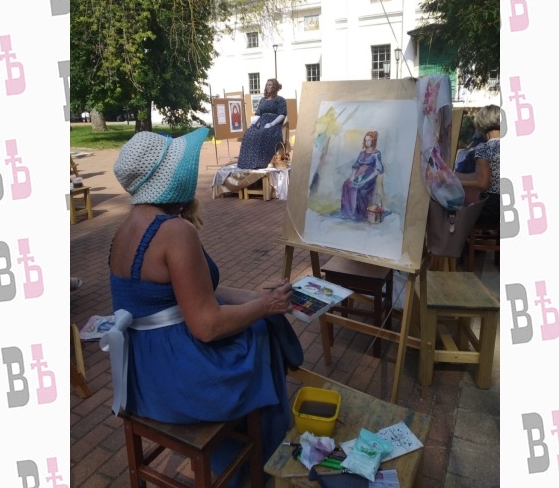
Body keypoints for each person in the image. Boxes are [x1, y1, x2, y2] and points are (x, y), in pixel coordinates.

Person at [106, 127, 302, 481]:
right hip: (174, 381)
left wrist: (261, 298)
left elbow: (195, 293)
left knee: (261, 319)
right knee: (262, 333)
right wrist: (265, 308)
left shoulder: (124, 230)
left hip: (142, 375)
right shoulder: (174, 232)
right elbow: (207, 326)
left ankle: (250, 450)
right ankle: (258, 462)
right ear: (170, 179)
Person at [457, 105, 501, 224]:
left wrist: (456, 182)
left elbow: (483, 184)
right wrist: (455, 175)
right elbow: (483, 175)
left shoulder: (484, 148)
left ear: (481, 125)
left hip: (493, 208)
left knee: (455, 214)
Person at [237, 78, 287, 169]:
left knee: (263, 134)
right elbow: (258, 113)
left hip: (274, 124)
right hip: (261, 122)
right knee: (249, 133)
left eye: (270, 85)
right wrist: (253, 123)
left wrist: (272, 124)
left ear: (275, 87)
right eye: (267, 85)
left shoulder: (280, 100)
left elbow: (282, 114)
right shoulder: (263, 100)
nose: (267, 86)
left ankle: (260, 162)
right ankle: (247, 162)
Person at [340, 131, 384, 221]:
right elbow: (356, 166)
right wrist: (352, 176)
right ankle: (347, 213)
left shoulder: (376, 154)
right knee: (346, 184)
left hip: (369, 178)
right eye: (366, 140)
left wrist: (367, 179)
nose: (367, 142)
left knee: (358, 188)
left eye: (369, 140)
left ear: (373, 141)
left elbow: (378, 170)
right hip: (358, 176)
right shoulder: (362, 153)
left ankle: (357, 214)